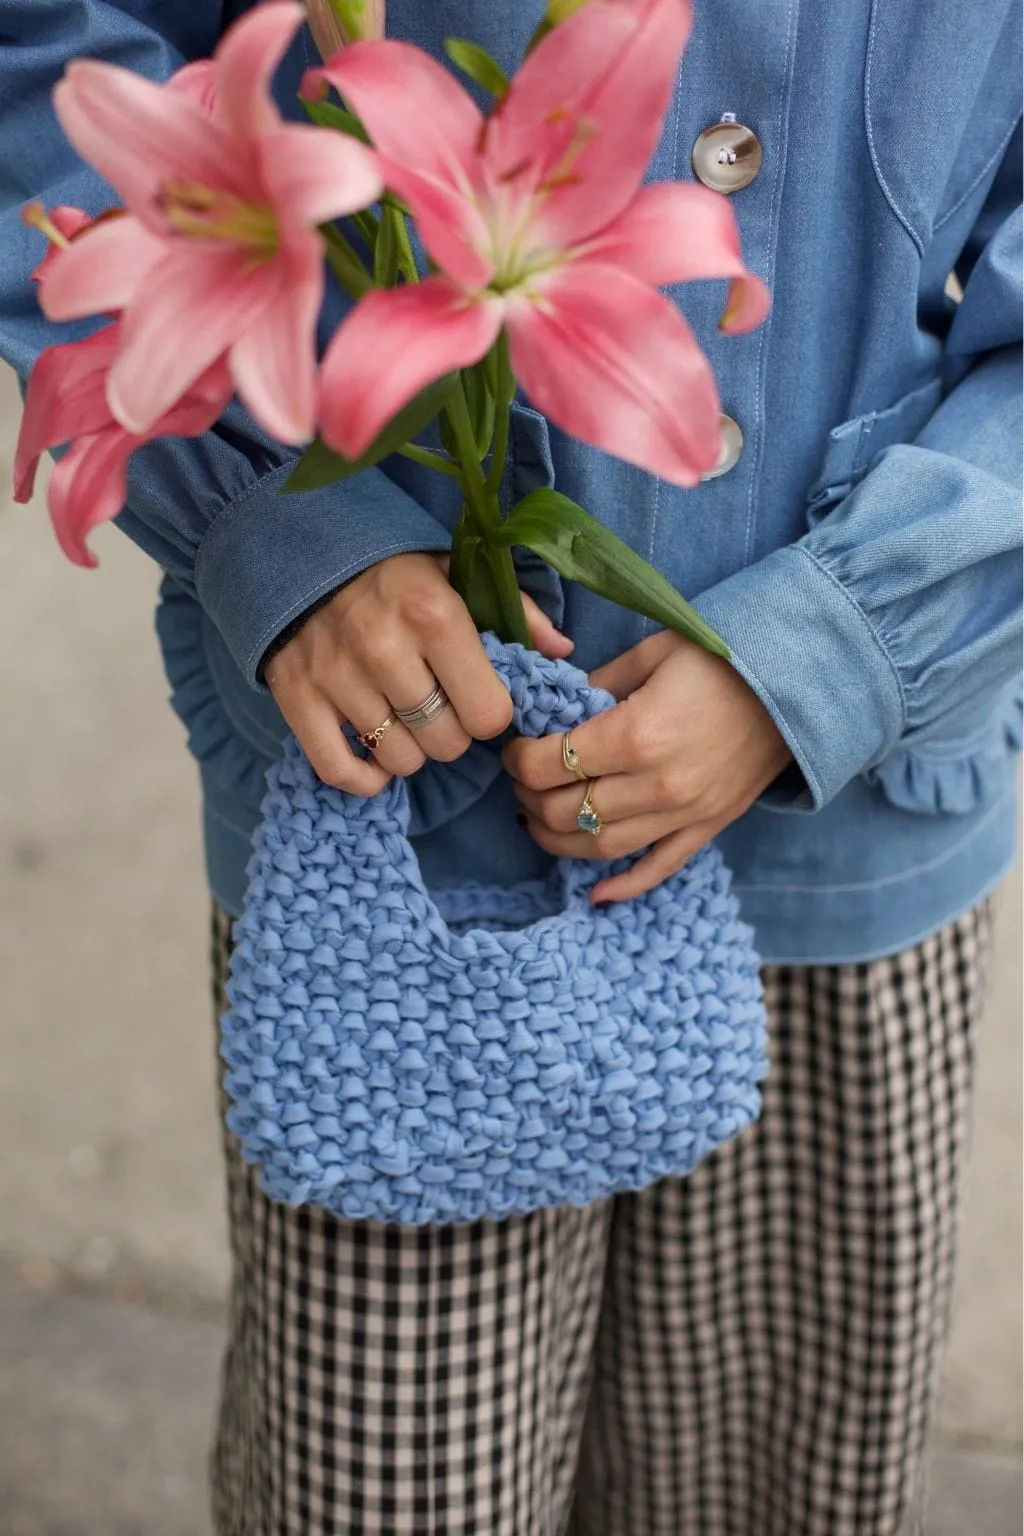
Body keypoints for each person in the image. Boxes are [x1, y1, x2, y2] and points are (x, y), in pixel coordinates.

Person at [1, 3, 1020, 1533]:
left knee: (773, 1485)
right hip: (402, 848)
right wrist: (282, 519)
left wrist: (842, 646)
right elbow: (44, 56)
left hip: (850, 843)